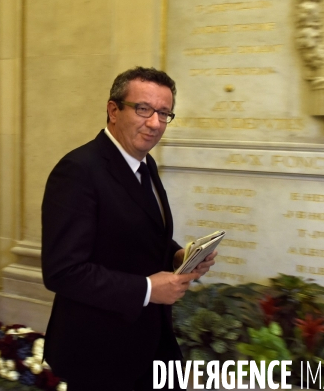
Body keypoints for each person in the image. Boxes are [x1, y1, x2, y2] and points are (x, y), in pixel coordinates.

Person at [41, 66, 216, 390]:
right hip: (100, 352)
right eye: (144, 109)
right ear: (113, 110)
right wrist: (147, 290)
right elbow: (62, 271)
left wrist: (178, 255)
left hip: (151, 342)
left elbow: (140, 230)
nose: (155, 123)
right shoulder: (78, 171)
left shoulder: (145, 163)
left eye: (164, 113)